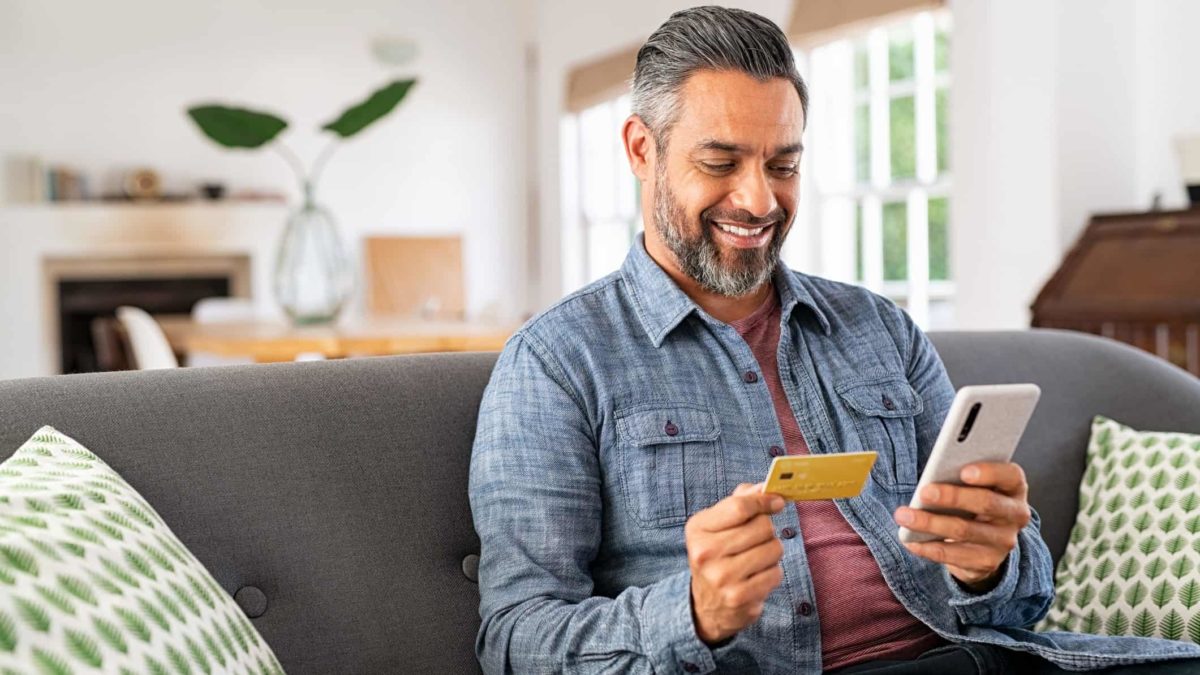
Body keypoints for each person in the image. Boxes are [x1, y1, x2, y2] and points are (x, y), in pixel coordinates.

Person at [469, 6, 1200, 674]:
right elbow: (515, 638)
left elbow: (1023, 597)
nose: (759, 200)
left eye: (783, 164)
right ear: (641, 149)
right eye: (720, 162)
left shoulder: (878, 327)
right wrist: (691, 614)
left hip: (983, 658)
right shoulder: (557, 362)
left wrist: (992, 563)